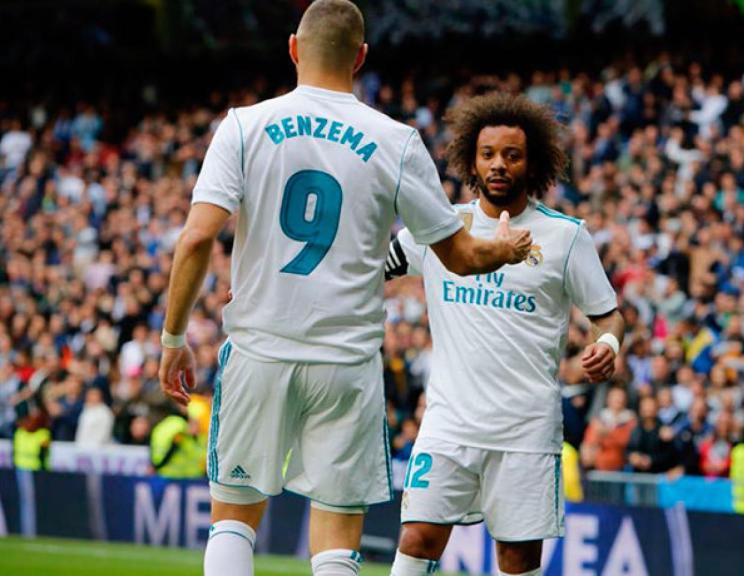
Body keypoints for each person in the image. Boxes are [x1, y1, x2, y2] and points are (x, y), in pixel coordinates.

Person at [157, 3, 532, 575]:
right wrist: (504, 250)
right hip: (346, 362)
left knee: (233, 519)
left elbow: (196, 238)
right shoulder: (397, 140)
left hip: (259, 348)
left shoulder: (243, 125)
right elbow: (459, 256)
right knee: (335, 537)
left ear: (292, 48)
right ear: (360, 57)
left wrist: (173, 336)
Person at [384, 92, 624, 576]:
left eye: (512, 155)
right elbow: (367, 267)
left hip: (525, 428)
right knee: (418, 536)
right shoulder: (441, 227)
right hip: (449, 422)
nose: (498, 165)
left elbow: (608, 314)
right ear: (471, 159)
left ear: (531, 163)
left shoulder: (565, 236)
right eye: (488, 154)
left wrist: (607, 343)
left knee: (517, 559)